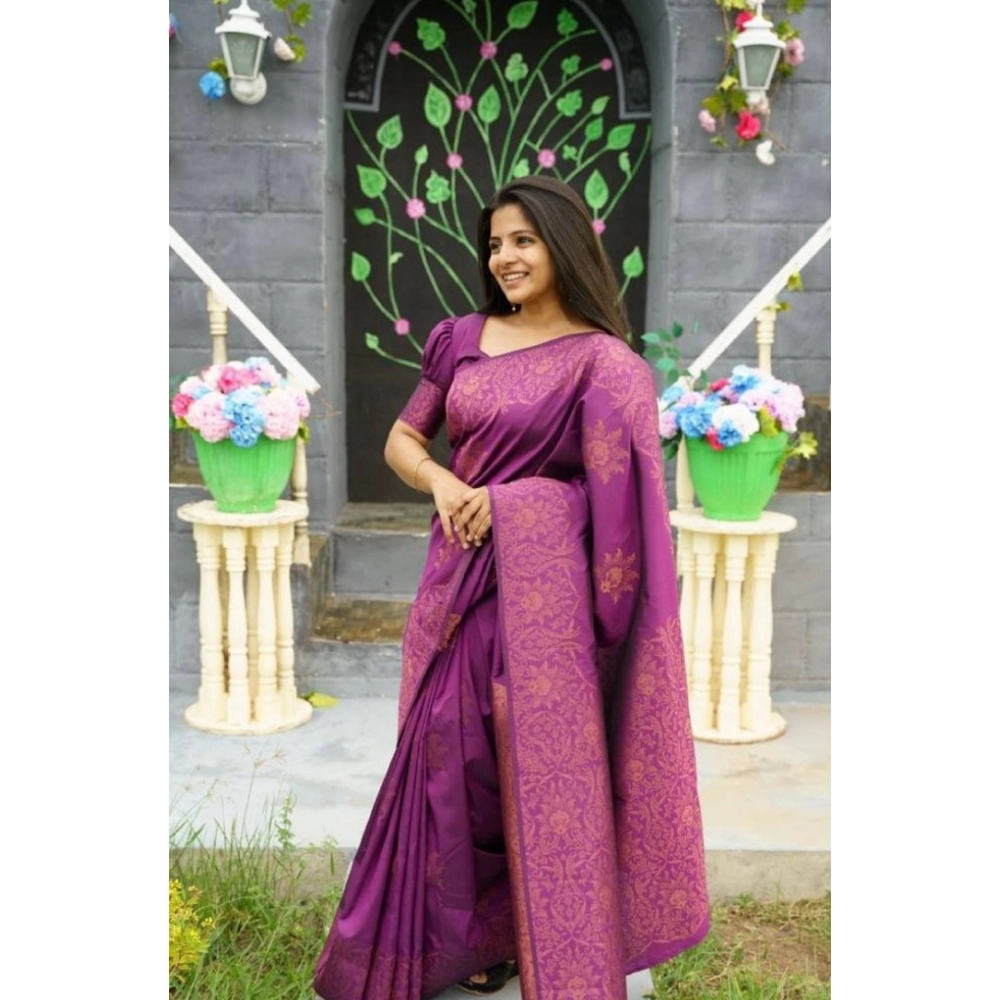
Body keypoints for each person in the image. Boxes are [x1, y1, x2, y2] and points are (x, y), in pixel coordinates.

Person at [314, 175, 710, 999]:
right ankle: (458, 942)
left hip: (542, 609)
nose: (505, 258)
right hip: (453, 587)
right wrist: (443, 482)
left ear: (562, 245)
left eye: (523, 240)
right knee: (446, 769)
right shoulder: (460, 338)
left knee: (513, 777)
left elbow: (623, 508)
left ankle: (522, 935)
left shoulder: (606, 366)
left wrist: (514, 504)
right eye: (495, 244)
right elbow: (403, 439)